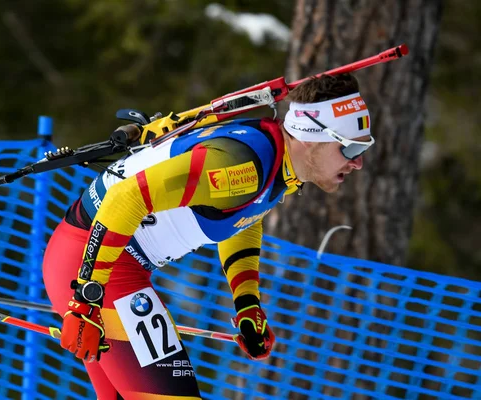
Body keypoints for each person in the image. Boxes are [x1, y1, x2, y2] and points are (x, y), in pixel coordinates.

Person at [42, 73, 373, 399]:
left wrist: (247, 302)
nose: (358, 162)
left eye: (364, 147)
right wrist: (86, 298)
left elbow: (242, 218)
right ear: (312, 137)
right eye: (350, 148)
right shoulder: (240, 168)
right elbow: (125, 198)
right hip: (95, 267)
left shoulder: (276, 162)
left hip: (110, 267)